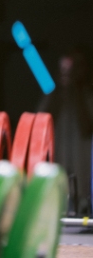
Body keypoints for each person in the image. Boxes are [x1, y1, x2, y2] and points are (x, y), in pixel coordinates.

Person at [38, 44, 93, 214]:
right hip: (58, 171)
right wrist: (60, 87)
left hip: (83, 172)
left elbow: (86, 129)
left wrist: (75, 88)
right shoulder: (52, 95)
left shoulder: (88, 96)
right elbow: (41, 125)